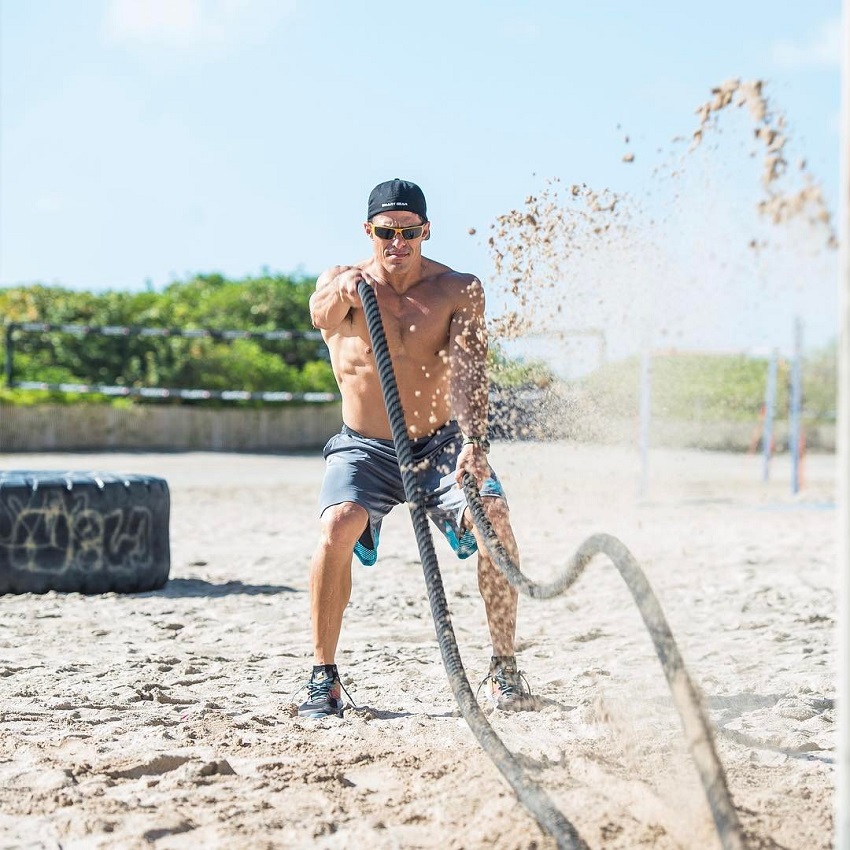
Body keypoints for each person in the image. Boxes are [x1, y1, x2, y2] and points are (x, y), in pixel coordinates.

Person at [299, 178, 533, 719]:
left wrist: (476, 443)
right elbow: (319, 314)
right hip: (366, 448)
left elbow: (472, 372)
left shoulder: (458, 289)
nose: (397, 242)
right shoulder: (341, 283)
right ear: (369, 232)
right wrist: (344, 290)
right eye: (387, 232)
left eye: (408, 231)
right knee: (337, 525)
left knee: (494, 515)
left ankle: (504, 668)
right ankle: (323, 676)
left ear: (425, 231)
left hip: (442, 444)